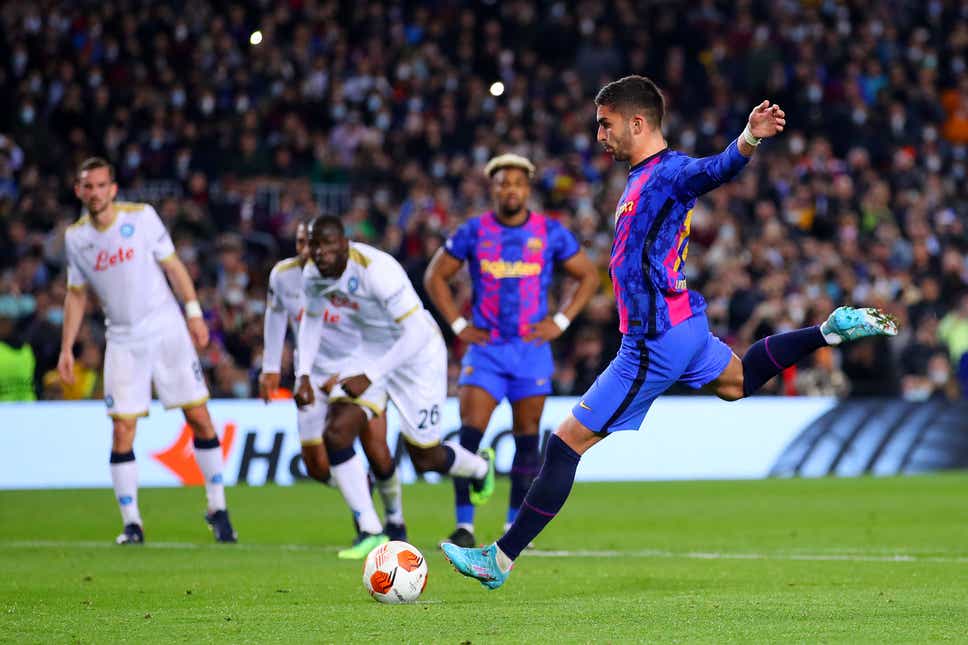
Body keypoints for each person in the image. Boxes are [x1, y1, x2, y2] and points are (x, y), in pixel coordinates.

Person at [442, 75, 897, 588]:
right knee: (738, 381)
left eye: (605, 124)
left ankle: (498, 559)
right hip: (684, 324)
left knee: (566, 442)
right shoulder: (640, 178)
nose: (598, 135)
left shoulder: (668, 172)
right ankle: (827, 332)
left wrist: (748, 138)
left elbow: (714, 170)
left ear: (637, 123)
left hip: (653, 341)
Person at [295, 215, 496, 559]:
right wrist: (302, 373)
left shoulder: (377, 270)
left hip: (418, 355)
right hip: (370, 352)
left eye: (328, 245)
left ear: (345, 243)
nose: (320, 253)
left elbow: (415, 331)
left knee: (424, 456)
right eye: (314, 246)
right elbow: (311, 320)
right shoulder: (313, 273)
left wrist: (370, 375)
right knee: (337, 432)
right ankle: (370, 529)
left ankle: (478, 466)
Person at [59, 157, 237, 545]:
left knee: (200, 417)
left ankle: (218, 508)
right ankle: (132, 524)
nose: (95, 192)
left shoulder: (141, 218)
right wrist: (66, 347)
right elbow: (76, 295)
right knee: (122, 427)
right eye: (88, 186)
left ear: (113, 188)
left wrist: (193, 313)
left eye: (101, 185)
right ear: (79, 191)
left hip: (166, 328)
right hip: (122, 338)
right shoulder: (76, 238)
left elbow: (174, 267)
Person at [424, 153, 599, 547]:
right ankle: (464, 526)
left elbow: (588, 276)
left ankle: (511, 526)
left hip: (531, 350)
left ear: (528, 189)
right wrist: (457, 324)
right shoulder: (473, 231)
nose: (511, 190)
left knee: (526, 440)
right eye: (503, 183)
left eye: (517, 183)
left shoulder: (550, 232)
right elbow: (435, 275)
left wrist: (562, 320)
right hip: (486, 350)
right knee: (469, 435)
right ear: (493, 188)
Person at [259, 219, 405, 541]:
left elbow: (373, 324)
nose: (307, 250)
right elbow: (275, 316)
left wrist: (361, 369)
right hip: (311, 374)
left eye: (309, 243)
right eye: (302, 243)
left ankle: (392, 519)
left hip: (354, 370)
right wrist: (273, 367)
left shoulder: (347, 274)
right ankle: (362, 494)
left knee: (376, 449)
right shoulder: (284, 277)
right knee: (316, 464)